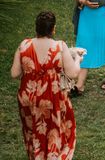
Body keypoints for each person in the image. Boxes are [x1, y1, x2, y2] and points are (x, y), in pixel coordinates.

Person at [11, 11, 82, 160]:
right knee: (55, 131)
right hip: (52, 97)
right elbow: (73, 73)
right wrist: (78, 59)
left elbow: (14, 73)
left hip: (28, 98)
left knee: (33, 132)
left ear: (36, 28)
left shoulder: (24, 45)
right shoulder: (59, 46)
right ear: (53, 29)